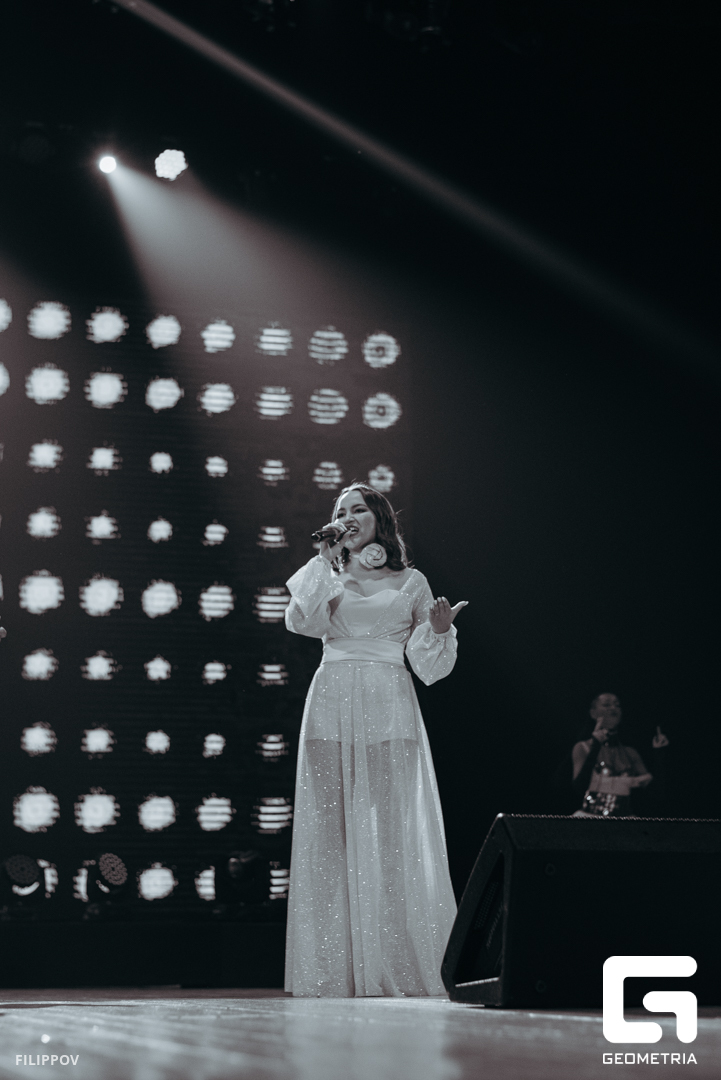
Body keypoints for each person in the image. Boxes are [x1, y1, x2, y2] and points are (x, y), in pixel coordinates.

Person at [283, 483, 467, 997]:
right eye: (340, 511)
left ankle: (396, 964)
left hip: (388, 701)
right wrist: (323, 562)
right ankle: (332, 969)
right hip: (332, 699)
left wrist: (439, 630)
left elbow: (429, 667)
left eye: (357, 508)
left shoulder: (411, 580)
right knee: (329, 831)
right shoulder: (328, 574)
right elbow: (300, 622)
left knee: (391, 833)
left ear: (378, 518)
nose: (347, 516)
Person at [571, 692, 669, 817]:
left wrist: (659, 753)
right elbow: (579, 788)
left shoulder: (630, 753)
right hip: (590, 819)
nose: (613, 708)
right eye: (606, 705)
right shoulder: (583, 748)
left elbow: (656, 794)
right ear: (593, 713)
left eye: (617, 705)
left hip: (623, 821)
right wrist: (595, 747)